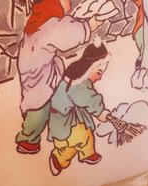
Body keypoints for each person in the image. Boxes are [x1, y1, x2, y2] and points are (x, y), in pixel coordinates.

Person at [14, 0, 102, 155]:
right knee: (38, 110)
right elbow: (65, 33)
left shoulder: (38, 23)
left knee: (48, 106)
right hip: (40, 79)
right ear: (53, 3)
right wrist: (91, 25)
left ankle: (54, 140)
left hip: (40, 74)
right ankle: (28, 139)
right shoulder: (48, 26)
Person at [47, 40, 111, 176]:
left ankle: (59, 159)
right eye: (99, 72)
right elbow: (88, 99)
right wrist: (100, 112)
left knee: (71, 145)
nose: (100, 77)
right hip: (65, 121)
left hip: (65, 118)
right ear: (91, 67)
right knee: (83, 135)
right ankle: (87, 154)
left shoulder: (76, 78)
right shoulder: (78, 83)